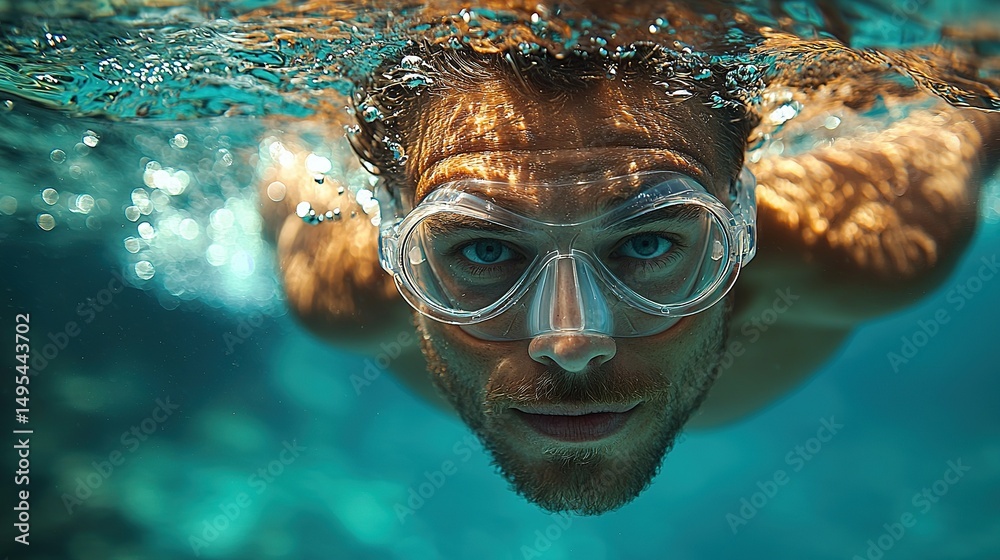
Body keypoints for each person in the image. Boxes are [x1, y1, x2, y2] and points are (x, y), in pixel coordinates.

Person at [258, 1, 1000, 514]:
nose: (573, 343)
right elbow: (280, 154)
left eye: (647, 242)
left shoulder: (871, 240)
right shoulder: (341, 289)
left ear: (738, 225)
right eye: (485, 248)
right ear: (395, 245)